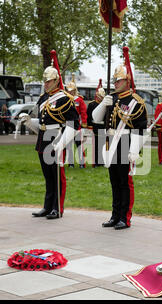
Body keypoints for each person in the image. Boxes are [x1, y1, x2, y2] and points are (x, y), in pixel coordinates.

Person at [92, 47, 147, 230]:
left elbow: (140, 129)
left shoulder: (136, 102)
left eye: (119, 80)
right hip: (110, 143)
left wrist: (134, 151)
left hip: (125, 143)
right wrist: (103, 105)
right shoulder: (112, 99)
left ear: (128, 80)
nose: (115, 83)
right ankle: (115, 215)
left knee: (125, 183)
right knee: (114, 182)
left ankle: (125, 216)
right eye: (114, 80)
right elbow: (96, 119)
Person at [22, 50, 79, 219]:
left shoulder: (64, 98)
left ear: (56, 81)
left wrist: (62, 143)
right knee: (47, 176)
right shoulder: (42, 98)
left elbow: (74, 123)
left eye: (49, 81)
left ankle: (57, 208)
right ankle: (47, 206)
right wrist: (29, 122)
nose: (46, 84)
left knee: (56, 177)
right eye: (45, 82)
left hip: (56, 138)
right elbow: (42, 124)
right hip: (43, 139)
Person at [65, 76, 87, 168]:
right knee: (69, 145)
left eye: (72, 91)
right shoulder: (65, 100)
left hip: (77, 125)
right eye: (69, 91)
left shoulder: (79, 100)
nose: (70, 92)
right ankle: (71, 163)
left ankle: (82, 163)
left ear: (75, 90)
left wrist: (84, 125)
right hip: (68, 124)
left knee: (79, 145)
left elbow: (83, 113)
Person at [87, 81, 106, 167]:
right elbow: (89, 116)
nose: (100, 98)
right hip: (95, 127)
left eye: (101, 97)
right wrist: (90, 126)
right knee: (95, 146)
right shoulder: (92, 104)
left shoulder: (105, 105)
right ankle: (96, 162)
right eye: (99, 96)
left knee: (103, 146)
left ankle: (102, 161)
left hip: (103, 127)